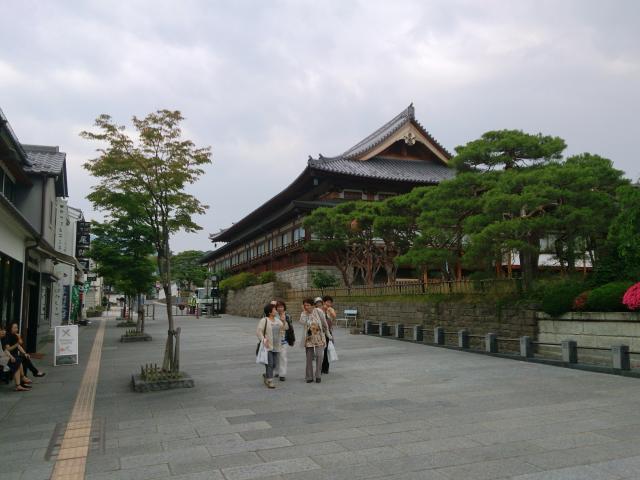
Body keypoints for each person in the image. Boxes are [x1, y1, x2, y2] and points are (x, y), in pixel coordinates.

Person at [256, 303, 288, 389]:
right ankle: (270, 381)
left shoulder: (277, 320)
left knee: (274, 364)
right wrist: (263, 340)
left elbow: (285, 328)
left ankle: (266, 375)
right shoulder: (264, 320)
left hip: (277, 346)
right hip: (268, 346)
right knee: (270, 364)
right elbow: (259, 332)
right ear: (270, 312)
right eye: (274, 309)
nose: (276, 311)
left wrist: (284, 321)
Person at [300, 298, 331, 383]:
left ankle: (318, 375)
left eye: (308, 305)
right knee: (309, 358)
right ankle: (309, 376)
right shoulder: (303, 314)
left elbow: (324, 323)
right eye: (305, 305)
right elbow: (302, 322)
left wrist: (328, 333)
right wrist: (306, 313)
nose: (306, 307)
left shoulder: (318, 311)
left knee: (319, 356)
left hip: (319, 337)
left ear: (312, 305)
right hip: (309, 338)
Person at [1, 326, 32, 392]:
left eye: (4, 330)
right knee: (17, 361)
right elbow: (7, 350)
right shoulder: (5, 338)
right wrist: (10, 356)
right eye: (1, 330)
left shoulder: (5, 338)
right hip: (2, 358)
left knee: (19, 359)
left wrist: (11, 356)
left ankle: (20, 383)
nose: (3, 332)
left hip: (5, 356)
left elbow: (6, 350)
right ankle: (21, 380)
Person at [273, 300, 294, 382]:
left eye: (281, 307)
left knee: (283, 356)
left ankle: (282, 374)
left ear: (284, 307)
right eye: (278, 307)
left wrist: (284, 321)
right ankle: (277, 371)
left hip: (283, 339)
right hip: (274, 339)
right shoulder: (273, 315)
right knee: (276, 356)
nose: (280, 308)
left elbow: (289, 328)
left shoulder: (287, 316)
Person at [321, 295, 336, 374]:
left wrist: (329, 310)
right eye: (327, 302)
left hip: (328, 332)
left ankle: (325, 368)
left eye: (330, 302)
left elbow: (334, 316)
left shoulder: (330, 309)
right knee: (321, 350)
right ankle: (320, 367)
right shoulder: (320, 309)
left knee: (326, 350)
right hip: (320, 332)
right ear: (323, 302)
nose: (329, 303)